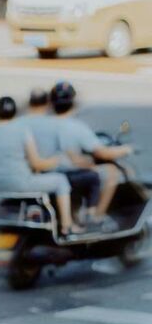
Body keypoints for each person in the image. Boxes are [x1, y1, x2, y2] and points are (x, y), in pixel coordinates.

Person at [0, 96, 85, 236]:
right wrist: (58, 159)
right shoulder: (21, 130)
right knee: (61, 181)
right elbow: (37, 163)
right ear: (15, 111)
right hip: (19, 183)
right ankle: (67, 227)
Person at [50, 81, 133, 229]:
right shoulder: (76, 127)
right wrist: (126, 149)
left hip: (47, 171)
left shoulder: (43, 124)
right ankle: (95, 218)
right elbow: (103, 153)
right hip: (66, 173)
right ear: (73, 102)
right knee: (111, 172)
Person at [22, 87, 106, 229]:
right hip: (46, 173)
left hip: (32, 171)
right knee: (91, 177)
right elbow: (66, 156)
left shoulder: (25, 123)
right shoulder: (65, 125)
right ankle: (72, 224)